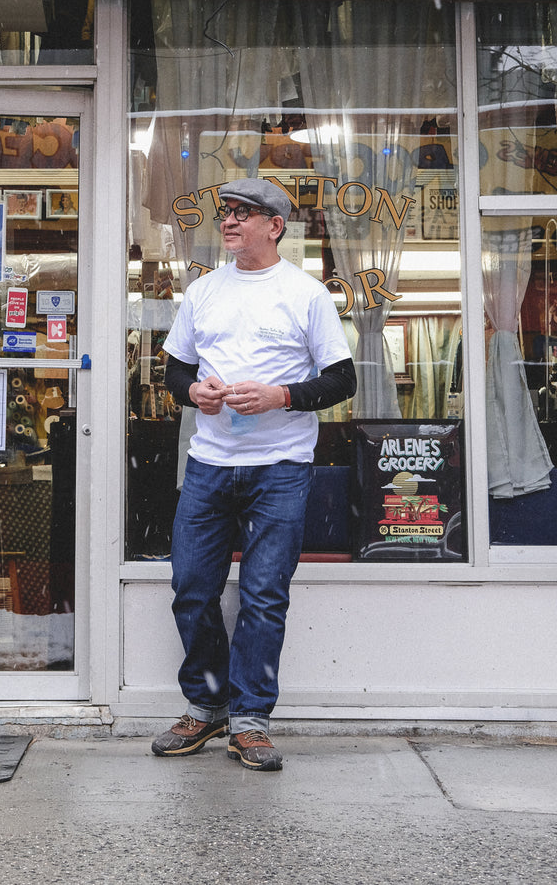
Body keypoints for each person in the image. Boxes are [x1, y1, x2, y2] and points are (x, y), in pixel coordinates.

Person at [152, 178, 356, 771]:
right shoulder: (203, 292)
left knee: (265, 597)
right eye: (227, 213)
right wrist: (195, 391)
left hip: (281, 470)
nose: (231, 221)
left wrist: (280, 396)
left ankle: (250, 719)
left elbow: (341, 380)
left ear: (276, 226)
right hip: (210, 466)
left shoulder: (306, 294)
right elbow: (173, 371)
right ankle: (208, 705)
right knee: (191, 589)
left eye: (245, 213)